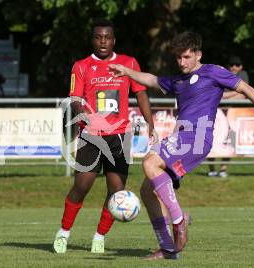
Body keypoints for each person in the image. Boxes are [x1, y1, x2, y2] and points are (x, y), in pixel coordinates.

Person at [109, 31, 254, 260]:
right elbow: (152, 80)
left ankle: (179, 221)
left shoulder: (213, 72)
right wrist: (127, 71)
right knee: (147, 191)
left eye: (186, 57)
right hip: (183, 136)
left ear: (198, 54)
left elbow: (246, 89)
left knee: (150, 162)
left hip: (197, 135)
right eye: (178, 58)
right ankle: (168, 249)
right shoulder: (179, 80)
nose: (181, 62)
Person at [53, 18, 155, 254]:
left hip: (120, 136)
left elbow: (140, 94)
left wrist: (150, 123)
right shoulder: (81, 66)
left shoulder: (128, 63)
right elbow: (76, 100)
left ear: (113, 40)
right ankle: (63, 233)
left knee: (116, 191)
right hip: (92, 135)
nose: (103, 41)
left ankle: (99, 237)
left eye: (107, 37)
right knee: (81, 186)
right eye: (98, 37)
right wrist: (86, 119)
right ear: (92, 40)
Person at [207, 55, 248, 178]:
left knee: (228, 141)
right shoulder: (222, 74)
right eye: (231, 65)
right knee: (210, 139)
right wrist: (234, 93)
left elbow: (243, 95)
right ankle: (212, 169)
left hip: (232, 114)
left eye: (237, 65)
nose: (234, 67)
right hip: (216, 112)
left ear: (241, 66)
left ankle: (223, 169)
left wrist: (224, 96)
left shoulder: (243, 75)